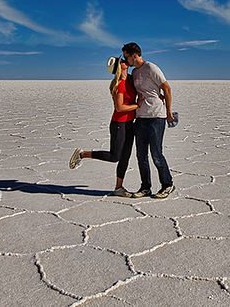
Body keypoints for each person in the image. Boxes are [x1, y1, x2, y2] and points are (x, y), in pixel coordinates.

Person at [69, 56, 139, 197]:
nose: (125, 61)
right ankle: (82, 154)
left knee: (125, 157)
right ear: (119, 67)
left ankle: (119, 188)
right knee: (115, 156)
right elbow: (119, 108)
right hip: (118, 124)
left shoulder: (131, 79)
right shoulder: (119, 84)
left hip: (129, 124)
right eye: (122, 61)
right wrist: (137, 106)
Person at [122, 42, 175, 199]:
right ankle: (145, 187)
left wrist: (168, 111)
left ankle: (167, 185)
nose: (126, 61)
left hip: (156, 116)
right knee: (141, 155)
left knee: (156, 154)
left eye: (127, 57)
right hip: (141, 117)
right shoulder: (134, 72)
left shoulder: (151, 68)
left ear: (135, 55)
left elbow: (167, 89)